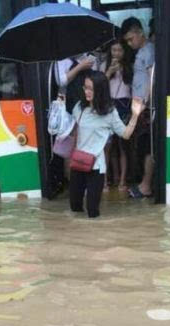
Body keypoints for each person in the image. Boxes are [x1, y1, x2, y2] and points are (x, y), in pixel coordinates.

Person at [69, 70, 144, 218]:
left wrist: (135, 115)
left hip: (96, 166)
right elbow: (76, 132)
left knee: (92, 211)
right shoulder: (79, 107)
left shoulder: (110, 112)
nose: (87, 92)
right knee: (75, 208)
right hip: (78, 163)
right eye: (85, 87)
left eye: (91, 88)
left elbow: (126, 134)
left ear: (100, 90)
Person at [122, 17, 155, 199]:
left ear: (139, 33)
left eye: (130, 39)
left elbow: (151, 77)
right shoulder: (141, 51)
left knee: (149, 146)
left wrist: (147, 104)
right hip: (140, 108)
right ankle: (144, 183)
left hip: (146, 108)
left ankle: (146, 186)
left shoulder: (148, 50)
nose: (129, 43)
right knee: (142, 146)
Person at [100, 39, 133, 192]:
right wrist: (109, 72)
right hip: (108, 106)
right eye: (114, 50)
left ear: (124, 52)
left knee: (122, 146)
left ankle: (122, 181)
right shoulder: (103, 67)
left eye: (119, 50)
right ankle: (106, 180)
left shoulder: (129, 68)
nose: (116, 53)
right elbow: (99, 86)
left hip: (124, 106)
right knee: (107, 146)